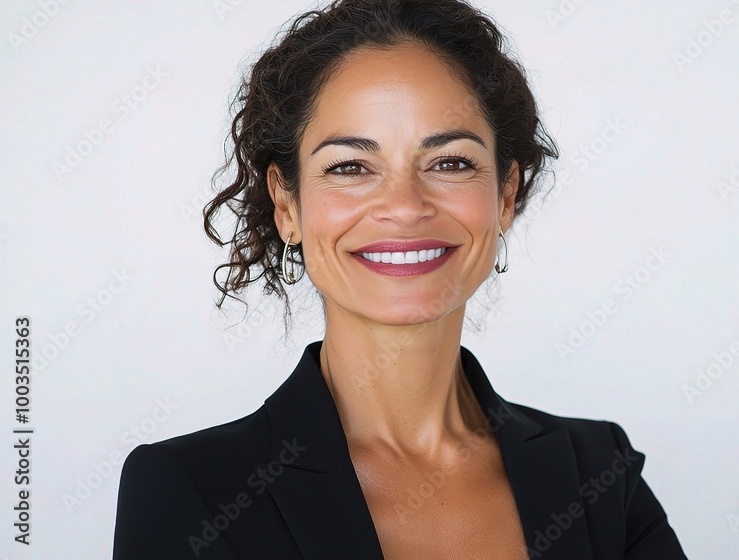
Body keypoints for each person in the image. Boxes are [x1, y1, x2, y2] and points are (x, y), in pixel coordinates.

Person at [112, 0, 688, 558]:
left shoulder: (599, 473)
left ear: (505, 195)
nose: (406, 206)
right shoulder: (189, 491)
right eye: (350, 167)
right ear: (287, 205)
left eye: (451, 162)